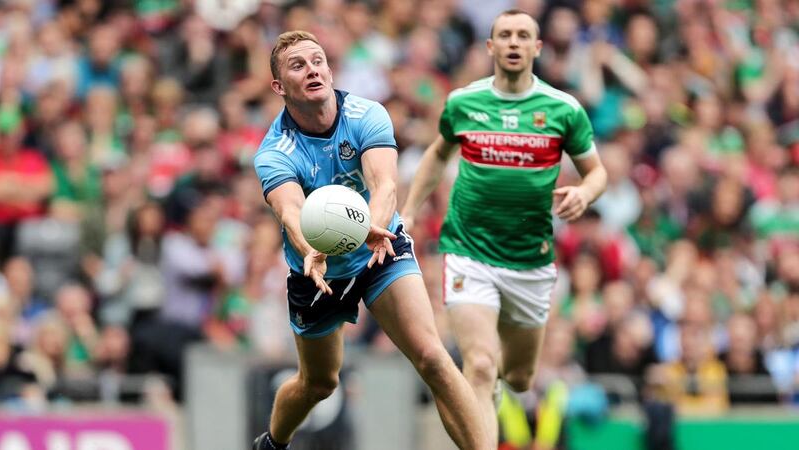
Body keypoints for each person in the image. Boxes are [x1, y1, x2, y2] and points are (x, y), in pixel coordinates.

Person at [251, 31, 490, 450]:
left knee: (433, 357)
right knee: (318, 384)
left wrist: (374, 230)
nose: (312, 70)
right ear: (278, 87)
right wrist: (310, 250)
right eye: (298, 65)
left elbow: (384, 186)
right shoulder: (274, 151)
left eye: (318, 60)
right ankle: (273, 442)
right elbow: (289, 211)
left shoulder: (366, 114)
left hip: (381, 248)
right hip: (318, 269)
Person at [401, 9, 608, 444]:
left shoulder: (563, 109)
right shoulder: (464, 102)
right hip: (468, 250)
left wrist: (584, 194)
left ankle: (504, 382)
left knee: (518, 377)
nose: (514, 43)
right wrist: (409, 210)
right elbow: (439, 154)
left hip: (530, 261)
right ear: (490, 47)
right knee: (478, 365)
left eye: (523, 36)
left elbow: (597, 172)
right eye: (505, 35)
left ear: (537, 48)